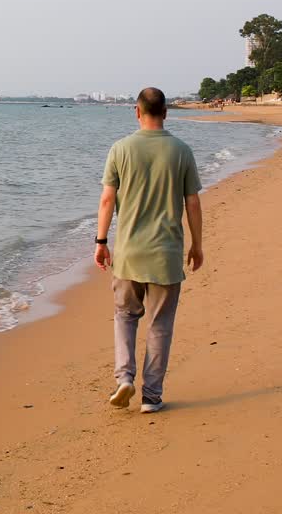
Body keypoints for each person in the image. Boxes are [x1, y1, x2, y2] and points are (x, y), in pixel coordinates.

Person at [94, 87, 203, 414]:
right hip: (166, 256)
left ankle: (124, 376)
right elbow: (193, 203)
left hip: (128, 254)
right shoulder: (181, 151)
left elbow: (107, 200)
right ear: (166, 112)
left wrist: (101, 242)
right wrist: (198, 244)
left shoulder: (120, 149)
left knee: (125, 317)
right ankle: (151, 397)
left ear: (137, 112)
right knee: (160, 325)